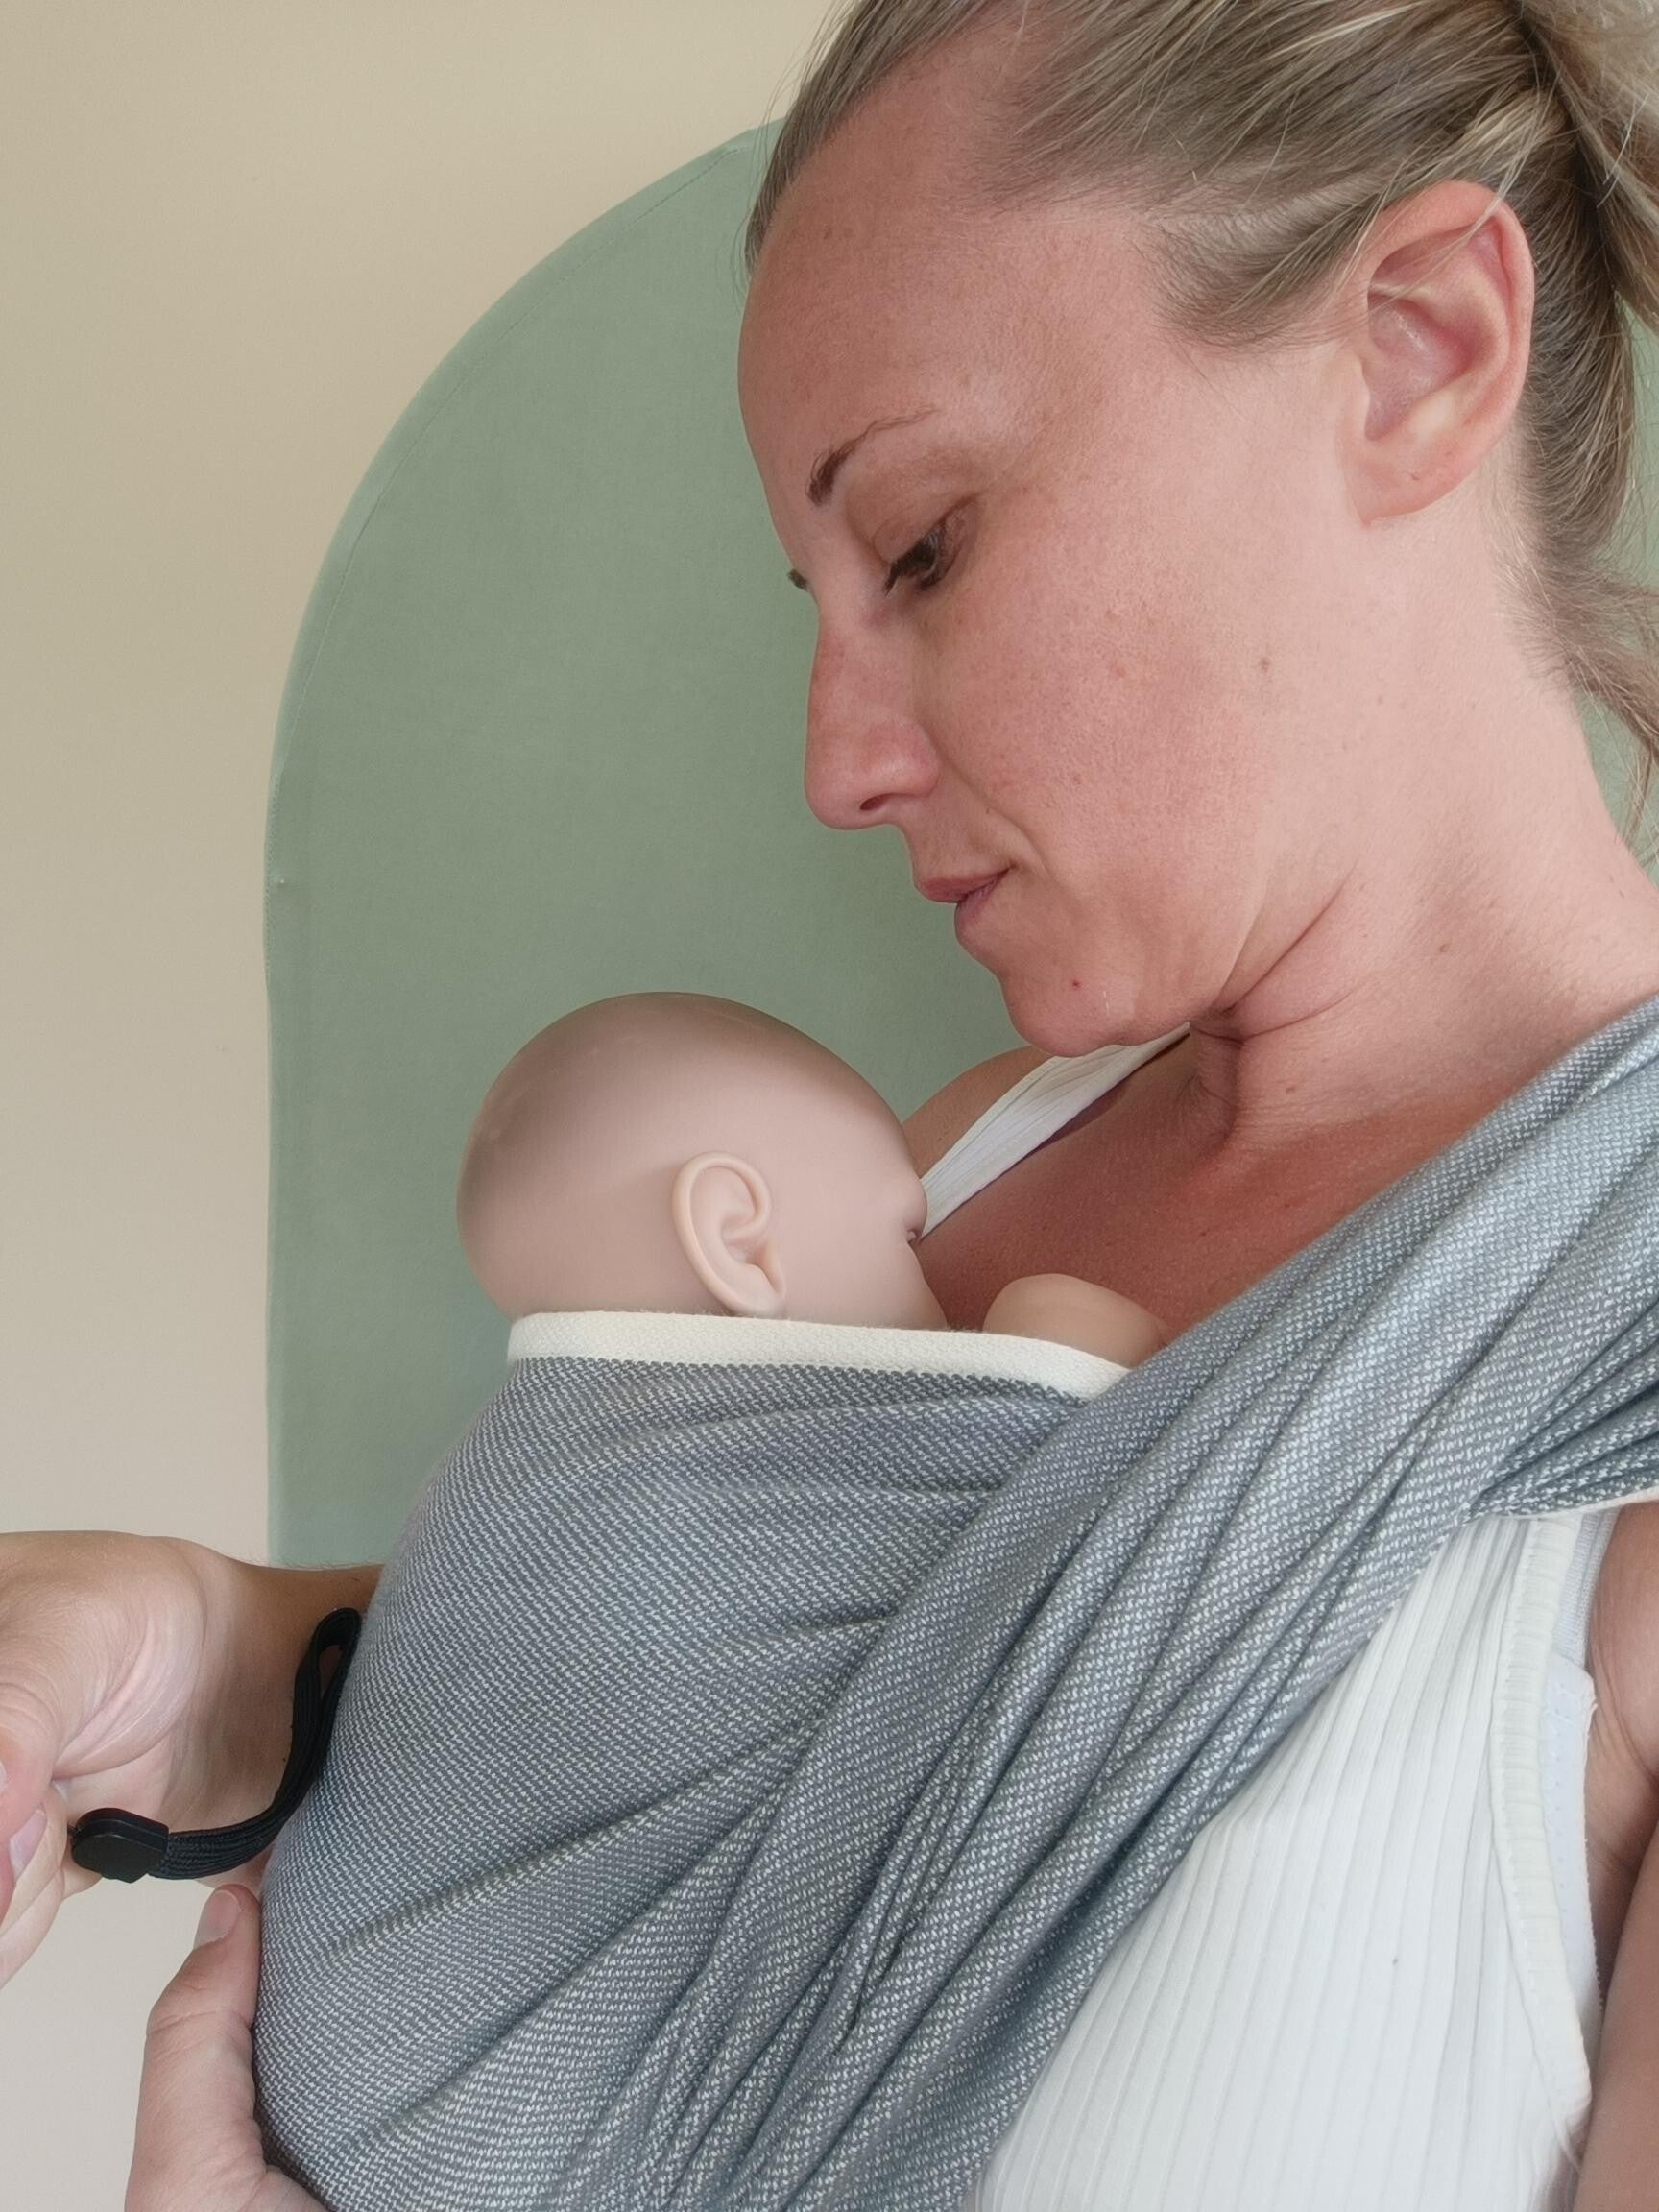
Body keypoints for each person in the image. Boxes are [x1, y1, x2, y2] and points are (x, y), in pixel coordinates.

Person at [6, 0, 1659, 2202]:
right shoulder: (952, 1165)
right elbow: (772, 1732)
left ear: (1419, 349)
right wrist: (226, 1654)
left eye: (930, 546)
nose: (839, 762)